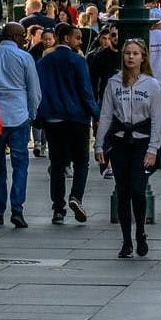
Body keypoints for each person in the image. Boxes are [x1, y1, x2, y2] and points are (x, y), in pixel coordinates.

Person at [95, 38, 161, 258]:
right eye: (127, 53)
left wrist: (154, 148)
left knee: (138, 188)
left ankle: (141, 232)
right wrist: (99, 145)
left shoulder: (151, 85)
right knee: (123, 192)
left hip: (142, 142)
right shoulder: (114, 83)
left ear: (143, 57)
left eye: (135, 54)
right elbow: (105, 115)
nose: (131, 57)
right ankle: (126, 240)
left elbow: (157, 119)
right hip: (119, 141)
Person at [0, 23, 42, 229]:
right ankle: (17, 208)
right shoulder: (25, 58)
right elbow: (34, 91)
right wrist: (32, 114)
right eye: (22, 35)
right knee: (20, 163)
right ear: (15, 36)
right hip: (19, 115)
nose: (24, 39)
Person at [36, 23, 98, 225]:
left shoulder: (44, 62)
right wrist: (96, 114)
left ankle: (58, 209)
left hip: (53, 118)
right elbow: (86, 92)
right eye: (78, 38)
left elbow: (39, 91)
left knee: (57, 164)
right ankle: (76, 196)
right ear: (66, 39)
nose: (80, 41)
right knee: (81, 161)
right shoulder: (78, 61)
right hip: (77, 117)